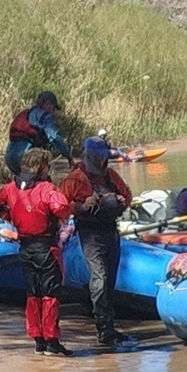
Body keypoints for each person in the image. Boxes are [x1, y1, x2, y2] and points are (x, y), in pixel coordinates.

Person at [0, 147, 72, 354]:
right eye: (47, 166)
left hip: (25, 247)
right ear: (42, 167)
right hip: (46, 247)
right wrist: (67, 213)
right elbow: (61, 207)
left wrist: (10, 216)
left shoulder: (11, 187)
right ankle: (52, 342)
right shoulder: (45, 187)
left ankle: (38, 340)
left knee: (33, 293)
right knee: (50, 294)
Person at [62, 130, 132, 349]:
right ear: (90, 156)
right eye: (98, 156)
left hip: (111, 231)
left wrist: (121, 200)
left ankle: (109, 326)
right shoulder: (76, 179)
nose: (102, 159)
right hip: (90, 234)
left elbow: (128, 195)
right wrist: (81, 206)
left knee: (109, 281)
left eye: (104, 156)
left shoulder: (111, 176)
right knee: (99, 278)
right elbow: (58, 204)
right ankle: (102, 327)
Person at [6, 90, 66, 177]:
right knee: (41, 183)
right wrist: (67, 155)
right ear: (48, 104)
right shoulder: (46, 116)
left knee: (22, 183)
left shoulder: (25, 113)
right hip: (26, 156)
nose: (53, 112)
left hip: (9, 156)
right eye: (53, 108)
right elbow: (54, 138)